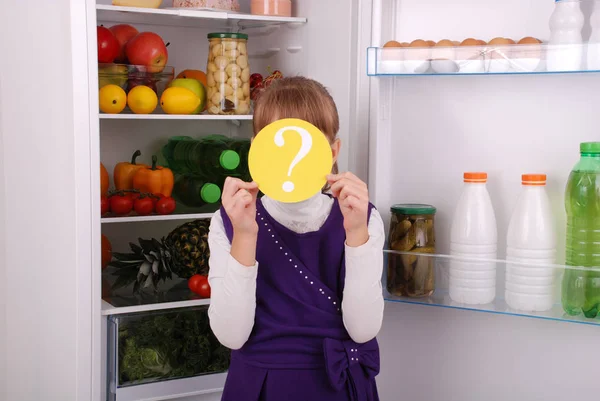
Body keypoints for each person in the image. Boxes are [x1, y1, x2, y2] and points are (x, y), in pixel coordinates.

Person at [207, 76, 385, 401]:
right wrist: (245, 235)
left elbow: (363, 329)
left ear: (333, 151)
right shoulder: (227, 223)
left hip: (339, 385)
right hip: (260, 386)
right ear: (257, 150)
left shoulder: (365, 218)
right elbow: (231, 335)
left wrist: (357, 233)